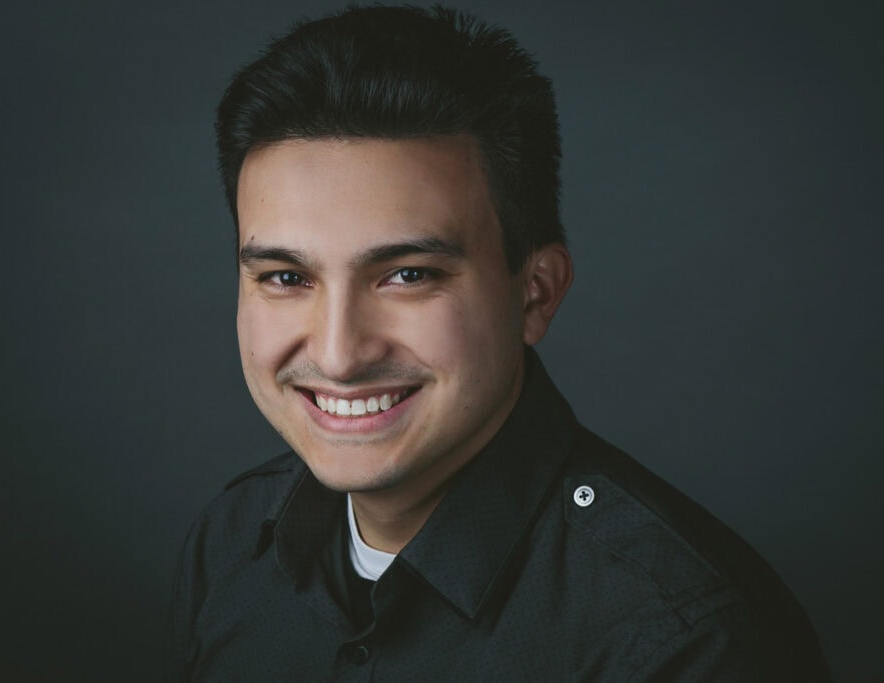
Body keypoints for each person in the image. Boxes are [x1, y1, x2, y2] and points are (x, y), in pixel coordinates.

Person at [168, 5, 830, 680]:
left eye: (408, 275)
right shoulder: (229, 542)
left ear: (535, 293)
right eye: (285, 276)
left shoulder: (685, 641)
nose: (339, 355)